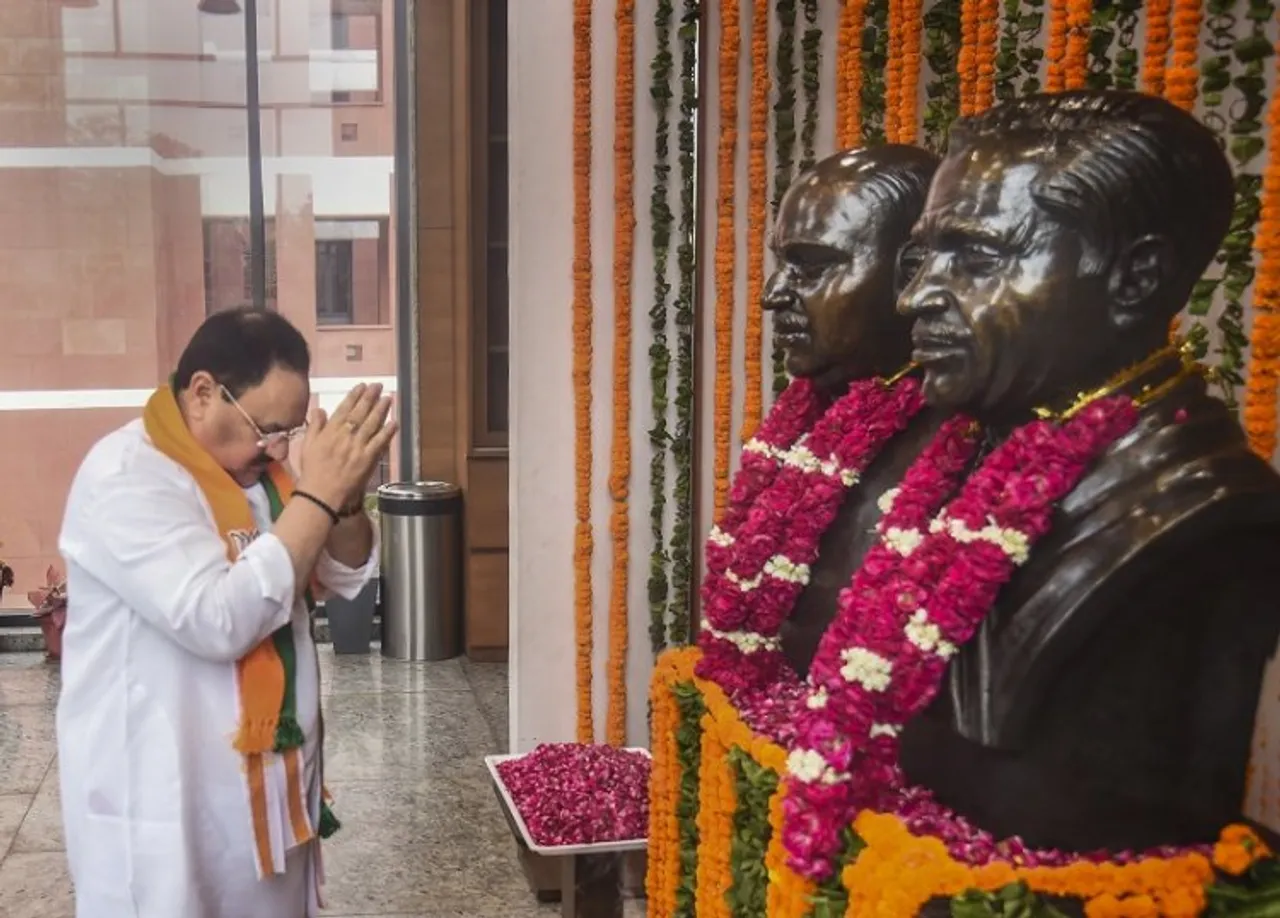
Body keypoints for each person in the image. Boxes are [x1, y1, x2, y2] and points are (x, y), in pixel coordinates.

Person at [889, 90, 1280, 859]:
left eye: (975, 257)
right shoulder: (976, 457)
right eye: (923, 257)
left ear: (1135, 278)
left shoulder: (1205, 511)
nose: (914, 297)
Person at [56, 306, 397, 917]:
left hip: (266, 789)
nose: (278, 448)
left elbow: (344, 572)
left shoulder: (257, 476)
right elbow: (217, 620)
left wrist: (342, 498)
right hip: (165, 804)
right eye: (268, 428)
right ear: (204, 392)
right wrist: (317, 492)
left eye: (290, 432)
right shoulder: (127, 476)